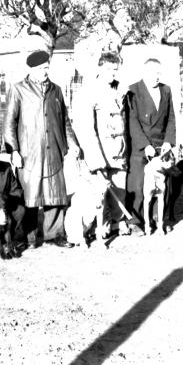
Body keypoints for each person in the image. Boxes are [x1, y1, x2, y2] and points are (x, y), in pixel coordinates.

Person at [2, 39, 75, 248]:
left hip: (54, 151)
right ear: (31, 69)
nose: (45, 71)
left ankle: (55, 234)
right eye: (41, 68)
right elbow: (8, 123)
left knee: (55, 194)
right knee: (30, 196)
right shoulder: (18, 90)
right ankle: (29, 237)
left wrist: (73, 144)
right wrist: (13, 150)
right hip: (28, 152)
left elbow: (65, 122)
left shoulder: (56, 90)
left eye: (47, 67)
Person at [73, 51, 130, 235]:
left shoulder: (120, 89)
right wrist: (95, 159)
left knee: (119, 186)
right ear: (100, 68)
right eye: (108, 69)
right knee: (100, 190)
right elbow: (85, 128)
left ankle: (117, 220)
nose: (112, 73)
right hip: (100, 150)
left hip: (118, 149)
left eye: (115, 69)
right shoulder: (88, 91)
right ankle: (100, 225)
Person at [126, 58, 176, 233]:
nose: (157, 76)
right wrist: (144, 144)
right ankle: (136, 221)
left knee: (162, 184)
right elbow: (132, 121)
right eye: (154, 72)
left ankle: (159, 218)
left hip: (161, 146)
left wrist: (168, 141)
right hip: (141, 147)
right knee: (138, 184)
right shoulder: (133, 91)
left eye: (159, 73)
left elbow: (170, 118)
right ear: (145, 72)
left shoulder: (166, 90)